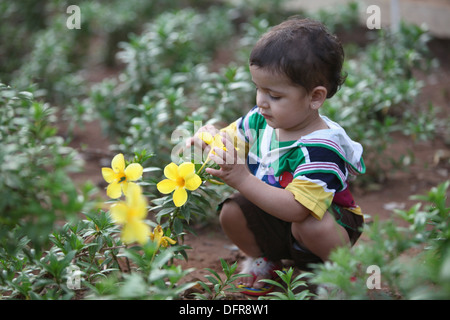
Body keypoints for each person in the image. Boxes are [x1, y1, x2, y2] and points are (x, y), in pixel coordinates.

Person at [187, 17, 365, 296]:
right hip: (276, 217)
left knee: (312, 225)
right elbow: (230, 143)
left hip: (325, 224)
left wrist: (242, 178)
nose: (261, 101)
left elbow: (298, 209)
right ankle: (267, 259)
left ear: (315, 97)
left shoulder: (321, 147)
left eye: (274, 95)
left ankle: (340, 271)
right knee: (232, 211)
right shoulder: (261, 120)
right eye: (258, 89)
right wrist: (211, 141)